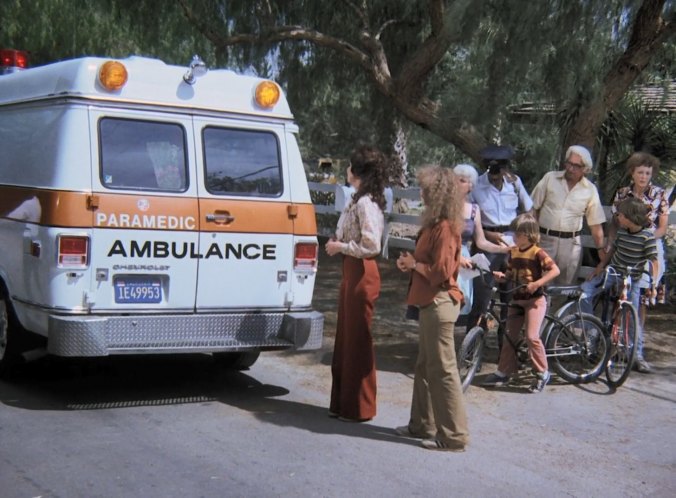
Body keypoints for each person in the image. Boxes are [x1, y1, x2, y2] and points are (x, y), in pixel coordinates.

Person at [394, 165, 469, 452]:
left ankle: (454, 436)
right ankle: (421, 424)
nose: (422, 194)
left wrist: (415, 264)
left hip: (439, 302)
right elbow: (433, 265)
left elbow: (441, 272)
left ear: (438, 194)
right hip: (431, 302)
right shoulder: (437, 225)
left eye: (427, 190)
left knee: (443, 370)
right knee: (425, 367)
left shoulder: (446, 228)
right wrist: (411, 263)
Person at [325, 145, 387, 422]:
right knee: (346, 339)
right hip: (351, 272)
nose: (346, 170)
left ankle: (359, 407)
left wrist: (342, 247)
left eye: (350, 165)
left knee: (358, 340)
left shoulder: (365, 203)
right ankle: (344, 403)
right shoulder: (356, 199)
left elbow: (371, 244)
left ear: (357, 171)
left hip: (362, 271)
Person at [580, 197, 659, 373]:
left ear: (631, 217)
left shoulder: (647, 237)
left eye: (620, 215)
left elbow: (654, 261)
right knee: (585, 292)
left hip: (632, 279)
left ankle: (636, 354)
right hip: (613, 273)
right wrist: (600, 267)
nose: (617, 218)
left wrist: (653, 284)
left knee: (633, 316)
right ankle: (592, 333)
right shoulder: (622, 233)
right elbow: (613, 250)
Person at [482, 213, 560, 393]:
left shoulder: (537, 252)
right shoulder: (514, 252)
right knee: (509, 336)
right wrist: (503, 277)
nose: (514, 237)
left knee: (532, 336)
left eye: (518, 233)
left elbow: (554, 270)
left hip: (534, 300)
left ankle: (542, 372)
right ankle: (504, 371)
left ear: (528, 234)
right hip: (517, 299)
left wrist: (537, 283)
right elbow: (511, 274)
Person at [606, 152, 669, 359]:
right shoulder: (623, 193)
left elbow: (662, 228)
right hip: (625, 248)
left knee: (639, 300)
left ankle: (636, 350)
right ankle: (615, 344)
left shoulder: (659, 194)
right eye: (640, 172)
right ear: (632, 173)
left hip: (647, 249)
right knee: (619, 297)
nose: (644, 176)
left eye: (648, 173)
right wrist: (613, 243)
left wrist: (645, 238)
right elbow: (615, 224)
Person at [466, 145, 533, 330]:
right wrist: (489, 234)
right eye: (491, 168)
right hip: (486, 243)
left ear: (506, 168)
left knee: (510, 298)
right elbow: (470, 220)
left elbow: (529, 210)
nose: (495, 174)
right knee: (481, 297)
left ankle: (506, 349)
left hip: (512, 242)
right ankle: (473, 346)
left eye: (499, 169)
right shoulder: (477, 186)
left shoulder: (515, 183)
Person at [530, 145, 606, 285]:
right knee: (539, 285)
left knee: (564, 287)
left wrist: (601, 250)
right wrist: (533, 237)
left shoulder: (589, 190)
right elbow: (532, 208)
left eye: (576, 166)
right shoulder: (550, 178)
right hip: (545, 240)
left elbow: (595, 223)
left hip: (571, 245)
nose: (571, 169)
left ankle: (560, 307)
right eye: (569, 163)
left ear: (585, 169)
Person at [452, 163, 511, 317]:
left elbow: (481, 242)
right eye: (456, 179)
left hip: (464, 256)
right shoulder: (444, 206)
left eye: (462, 180)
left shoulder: (473, 210)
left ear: (471, 186)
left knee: (460, 302)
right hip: (448, 255)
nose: (457, 183)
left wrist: (504, 249)